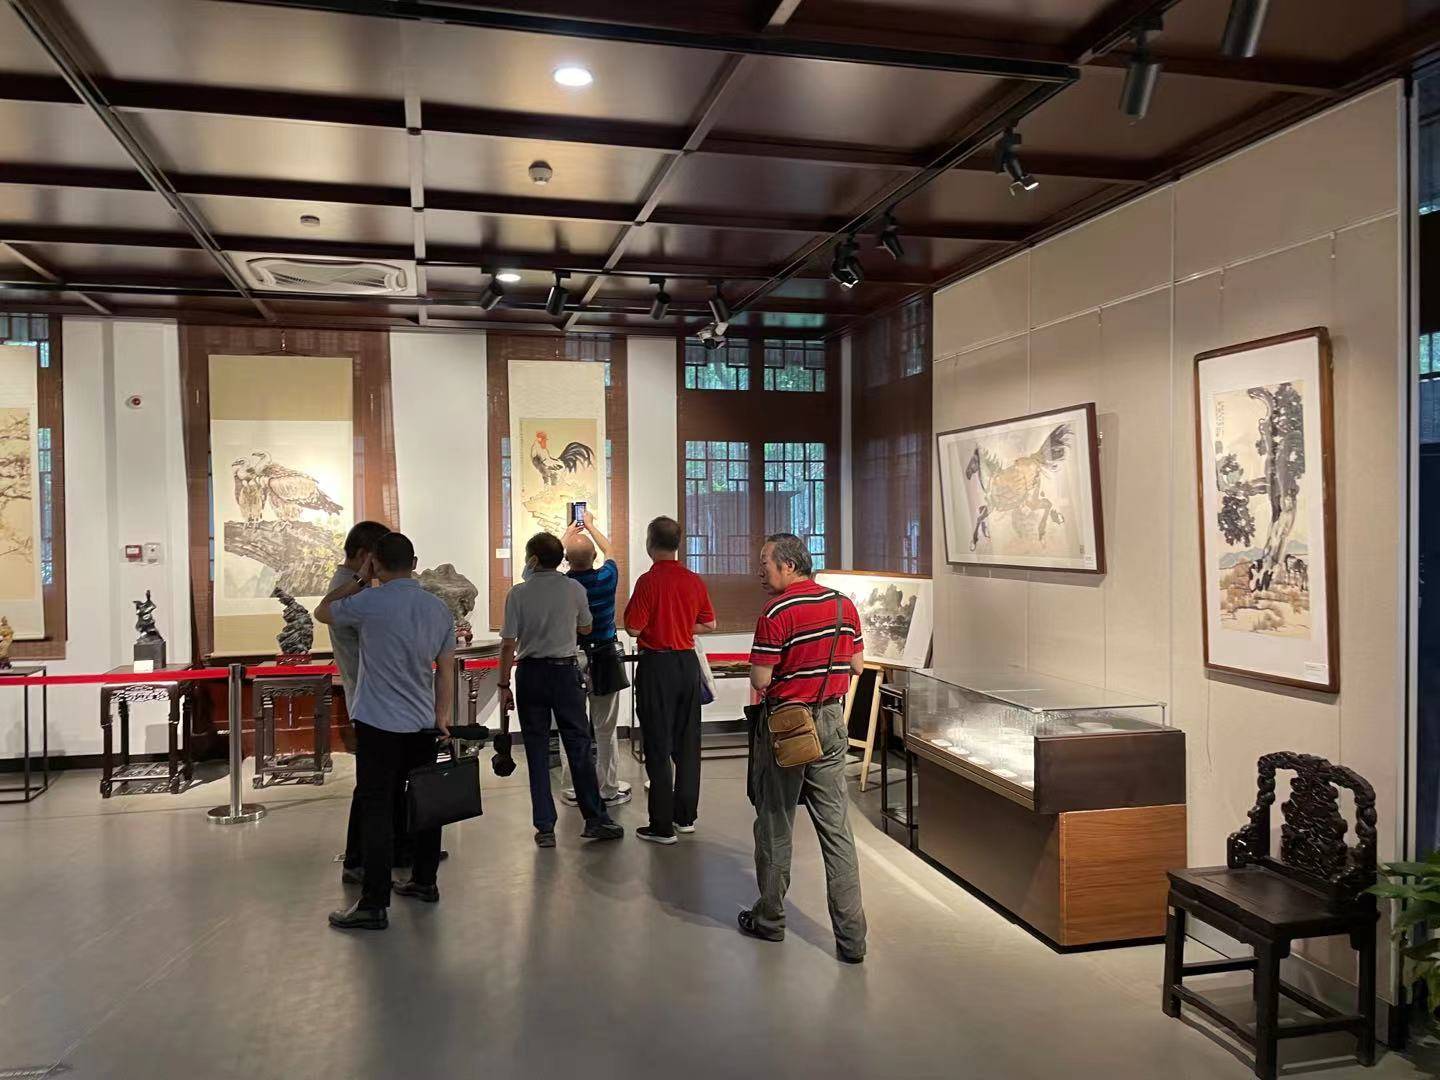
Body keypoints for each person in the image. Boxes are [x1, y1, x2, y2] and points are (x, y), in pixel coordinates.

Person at [316, 531, 456, 931]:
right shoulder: (438, 609)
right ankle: (425, 881)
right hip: (422, 722)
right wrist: (441, 716)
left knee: (378, 809)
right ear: (415, 564)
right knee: (426, 804)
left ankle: (374, 903)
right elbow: (445, 671)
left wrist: (360, 579)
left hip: (378, 723)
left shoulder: (368, 602)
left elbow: (323, 611)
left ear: (375, 563)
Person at [741, 532, 867, 964]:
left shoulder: (777, 611)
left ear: (788, 565)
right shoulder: (843, 605)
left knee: (775, 824)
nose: (760, 571)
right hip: (831, 722)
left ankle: (770, 919)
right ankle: (852, 940)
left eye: (765, 563)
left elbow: (760, 679)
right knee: (837, 832)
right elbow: (857, 665)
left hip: (787, 727)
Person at [498, 531, 625, 848]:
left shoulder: (518, 594)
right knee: (579, 745)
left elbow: (508, 644)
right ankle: (595, 819)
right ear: (560, 559)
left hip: (530, 674)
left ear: (532, 560)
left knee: (537, 750)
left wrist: (503, 685)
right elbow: (586, 626)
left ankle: (544, 827)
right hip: (566, 673)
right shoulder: (574, 589)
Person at [623, 516, 716, 845]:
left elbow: (633, 628)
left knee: (658, 743)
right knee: (688, 742)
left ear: (650, 543)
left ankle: (661, 825)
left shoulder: (648, 582)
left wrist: (661, 625)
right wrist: (679, 624)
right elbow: (710, 623)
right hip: (687, 665)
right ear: (678, 543)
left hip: (657, 666)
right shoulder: (693, 580)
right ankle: (685, 817)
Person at [331, 520, 393, 884]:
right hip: (370, 699)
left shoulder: (357, 587)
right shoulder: (349, 588)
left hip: (375, 697)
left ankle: (393, 847)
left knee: (384, 781)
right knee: (371, 786)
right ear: (364, 555)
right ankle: (357, 859)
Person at [559, 510, 632, 808]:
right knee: (605, 728)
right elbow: (610, 550)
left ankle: (572, 788)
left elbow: (550, 563)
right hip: (604, 656)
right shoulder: (606, 578)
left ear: (567, 559)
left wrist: (568, 533)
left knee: (571, 727)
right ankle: (608, 788)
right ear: (593, 558)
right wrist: (589, 525)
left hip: (570, 659)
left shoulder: (563, 585)